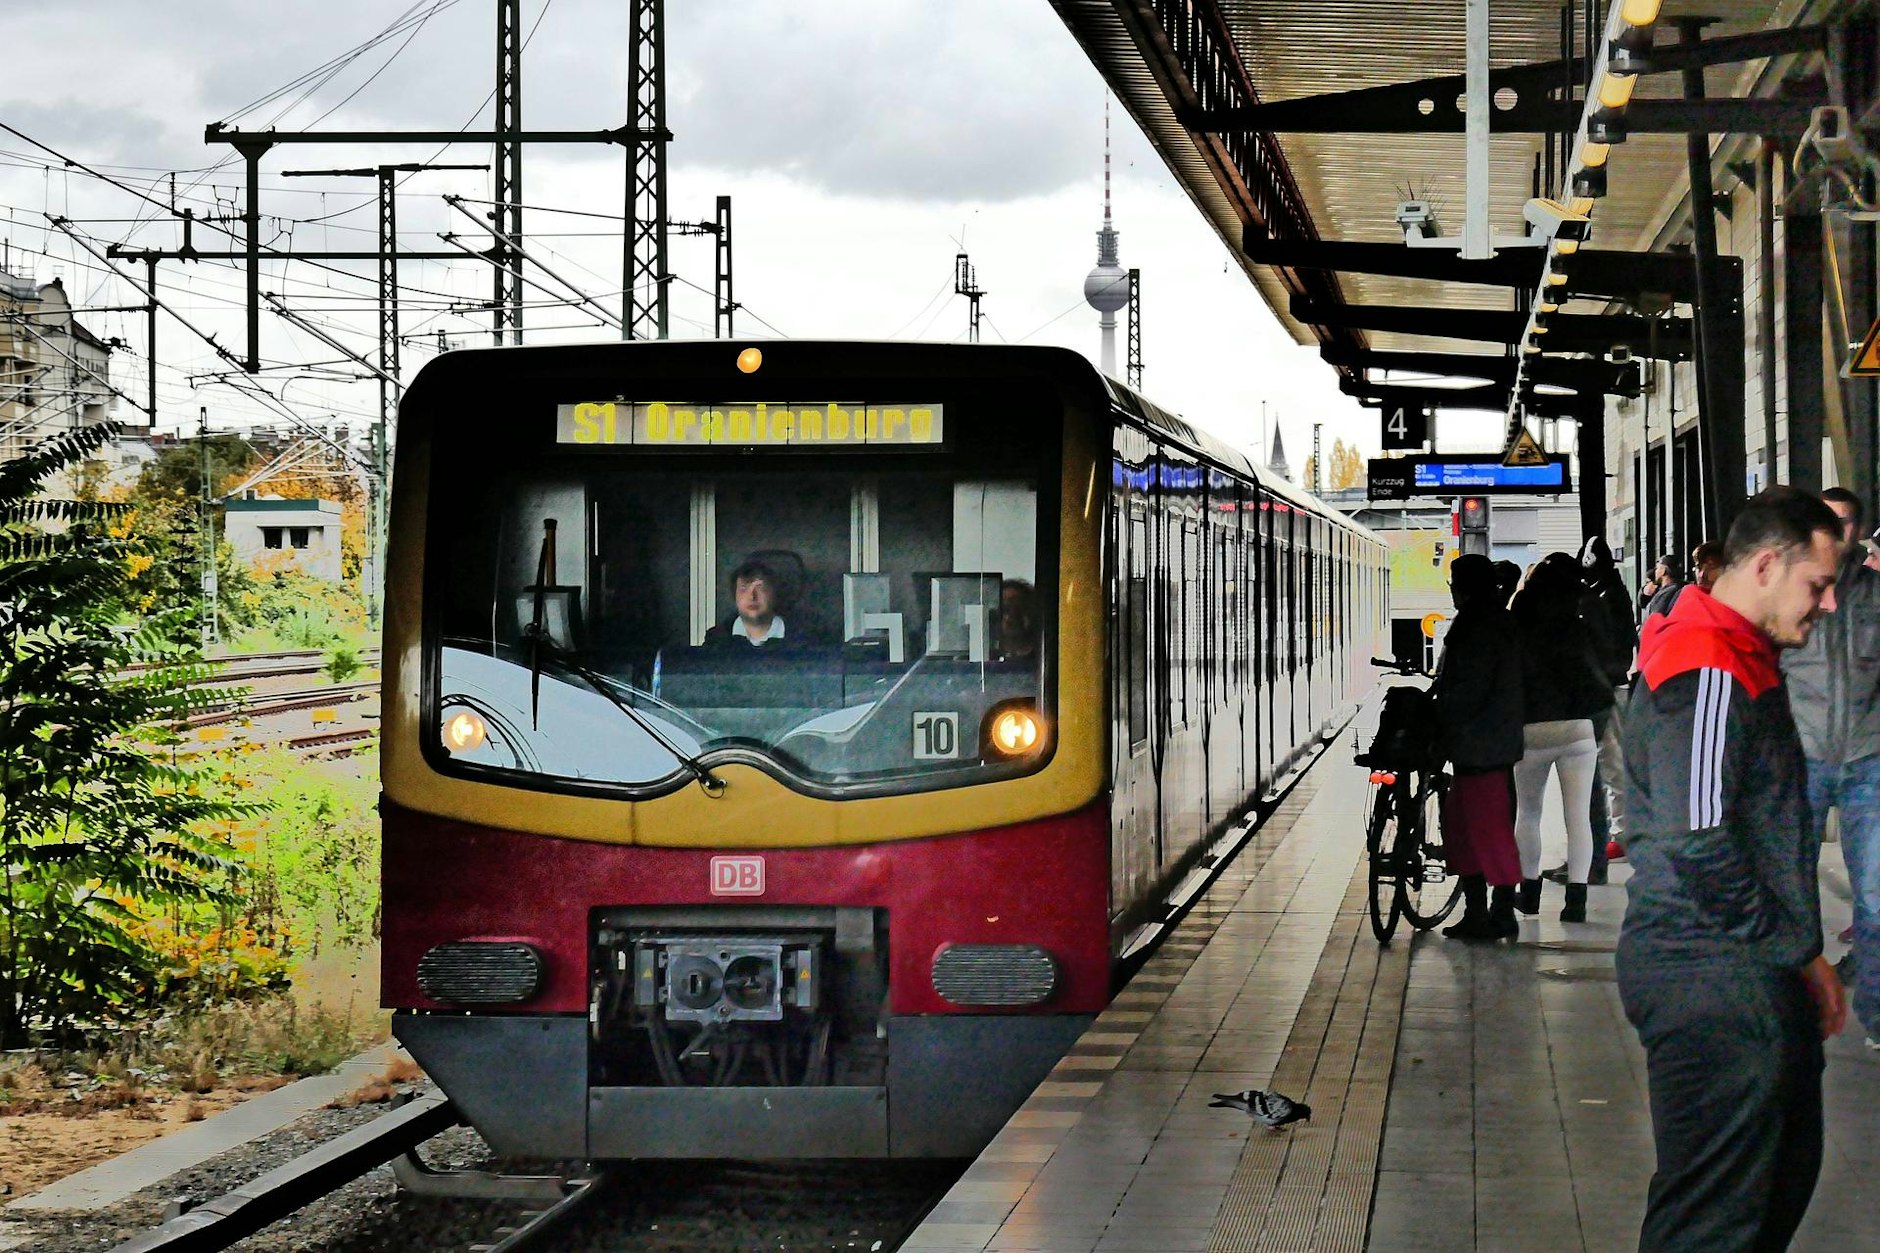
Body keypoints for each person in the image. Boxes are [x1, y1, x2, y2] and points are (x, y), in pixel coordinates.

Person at [1618, 486, 1847, 1252]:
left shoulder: (1734, 654)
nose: (1829, 604)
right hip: (1712, 973)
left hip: (1736, 968)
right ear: (1766, 565)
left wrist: (1797, 956)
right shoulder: (1707, 665)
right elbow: (1697, 838)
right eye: (1817, 585)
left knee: (1762, 1196)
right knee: (1716, 1221)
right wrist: (1789, 944)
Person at [1782, 486, 1880, 1043]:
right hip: (1805, 757)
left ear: (1857, 530)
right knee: (1792, 885)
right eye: (1826, 520)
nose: (1835, 530)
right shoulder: (1795, 592)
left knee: (1874, 895)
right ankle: (1796, 1004)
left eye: (1844, 521)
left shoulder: (1875, 597)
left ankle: (1877, 1012)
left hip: (1869, 757)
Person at [1510, 553, 1613, 922]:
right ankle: (1576, 902)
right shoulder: (1579, 621)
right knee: (1578, 816)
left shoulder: (1520, 619)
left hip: (1533, 727)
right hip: (1578, 728)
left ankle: (1530, 893)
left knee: (1529, 811)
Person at [1430, 553, 1525, 941]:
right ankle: (1481, 911)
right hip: (1493, 743)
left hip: (1480, 747)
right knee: (1466, 826)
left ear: (1465, 587)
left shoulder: (1476, 625)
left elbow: (1469, 688)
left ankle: (1498, 912)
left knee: (1485, 831)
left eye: (1455, 583)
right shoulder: (1499, 620)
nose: (1452, 591)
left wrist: (1439, 715)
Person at [1566, 536, 1637, 887]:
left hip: (1606, 688)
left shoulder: (1600, 600)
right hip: (1613, 685)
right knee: (1613, 762)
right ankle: (1619, 831)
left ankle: (1619, 833)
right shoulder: (1615, 594)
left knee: (1611, 762)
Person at [702, 558, 795, 650]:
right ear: (734, 596)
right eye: (744, 589)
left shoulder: (801, 639)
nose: (752, 597)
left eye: (760, 588)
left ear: (774, 594)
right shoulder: (716, 641)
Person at [1645, 541, 1723, 619]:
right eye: (1698, 568)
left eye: (1711, 567)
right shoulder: (1688, 596)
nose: (1701, 575)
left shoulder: (1676, 591)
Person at [996, 579, 1041, 663]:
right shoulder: (985, 662)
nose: (1011, 615)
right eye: (1005, 608)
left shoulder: (1045, 656)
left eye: (1018, 607)